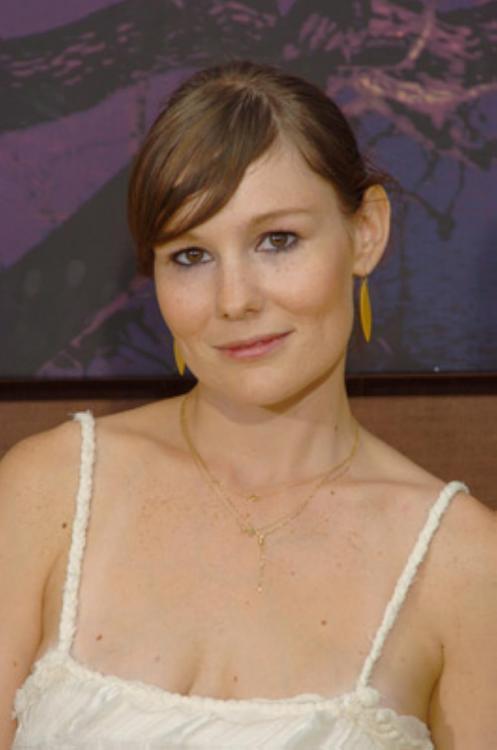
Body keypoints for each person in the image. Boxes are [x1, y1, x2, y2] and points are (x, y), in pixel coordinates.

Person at [1, 60, 496, 750]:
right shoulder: (45, 490)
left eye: (277, 240)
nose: (234, 300)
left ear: (366, 232)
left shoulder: (464, 563)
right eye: (190, 255)